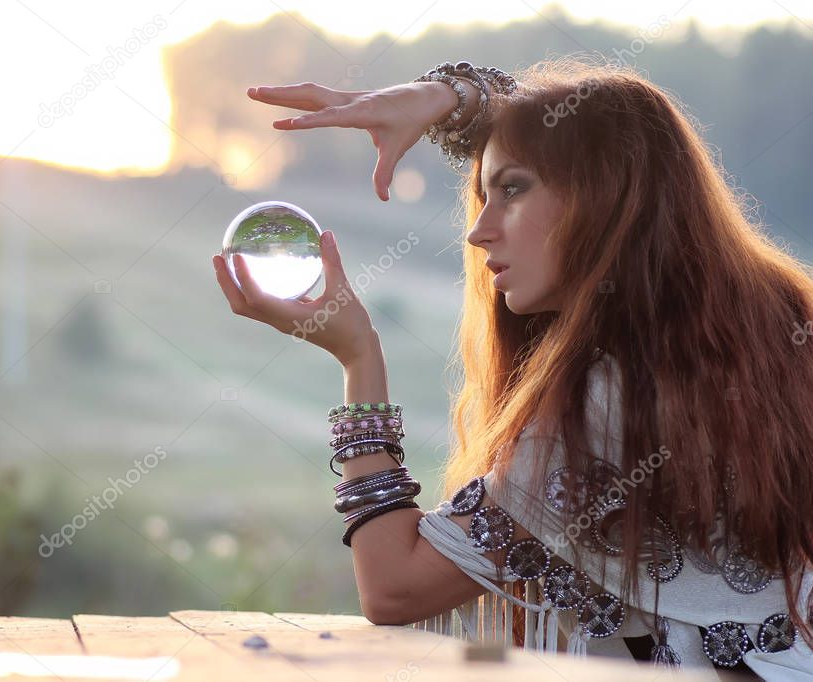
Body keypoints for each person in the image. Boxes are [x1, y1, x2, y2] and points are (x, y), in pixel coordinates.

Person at [212, 56, 813, 679]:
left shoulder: (609, 403)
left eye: (513, 189)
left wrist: (360, 359)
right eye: (483, 194)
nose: (478, 231)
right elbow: (594, 128)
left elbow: (395, 588)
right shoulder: (772, 339)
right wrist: (453, 97)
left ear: (603, 196)